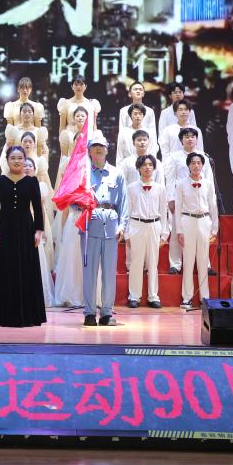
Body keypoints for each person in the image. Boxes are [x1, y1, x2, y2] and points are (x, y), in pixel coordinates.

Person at [0, 146, 46, 327]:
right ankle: (0, 315)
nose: (17, 161)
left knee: (26, 269)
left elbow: (37, 208)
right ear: (7, 160)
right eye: (13, 158)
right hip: (3, 229)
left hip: (26, 230)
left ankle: (27, 314)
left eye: (20, 158)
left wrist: (38, 230)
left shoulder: (32, 182)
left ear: (25, 159)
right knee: (3, 269)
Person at [82, 134, 128, 327]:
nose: (98, 149)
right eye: (95, 146)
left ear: (107, 150)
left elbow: (124, 202)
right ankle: (89, 313)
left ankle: (107, 313)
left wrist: (122, 225)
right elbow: (74, 201)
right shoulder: (83, 174)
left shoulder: (116, 173)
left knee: (109, 272)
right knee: (89, 272)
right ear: (89, 151)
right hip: (90, 224)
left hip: (110, 225)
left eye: (102, 146)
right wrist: (81, 205)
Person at [164, 127, 214, 275]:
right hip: (180, 197)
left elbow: (209, 179)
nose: (190, 139)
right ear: (181, 140)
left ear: (197, 140)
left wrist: (210, 199)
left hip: (200, 198)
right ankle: (175, 264)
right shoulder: (174, 157)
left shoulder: (203, 156)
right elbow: (170, 179)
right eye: (186, 137)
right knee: (176, 231)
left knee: (202, 233)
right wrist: (171, 199)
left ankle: (205, 264)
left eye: (193, 136)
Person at [174, 153, 218, 309]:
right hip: (188, 220)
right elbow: (178, 207)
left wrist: (215, 228)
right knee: (188, 261)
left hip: (204, 221)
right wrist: (179, 230)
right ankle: (187, 297)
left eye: (199, 163)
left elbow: (213, 205)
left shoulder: (208, 183)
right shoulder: (181, 184)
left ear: (203, 165)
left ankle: (204, 297)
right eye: (193, 163)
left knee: (203, 261)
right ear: (188, 165)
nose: (196, 165)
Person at [125, 155, 168, 309]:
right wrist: (127, 233)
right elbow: (127, 211)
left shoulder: (160, 188)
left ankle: (153, 296)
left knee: (153, 263)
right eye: (144, 165)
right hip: (136, 225)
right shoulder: (131, 188)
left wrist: (165, 233)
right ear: (139, 168)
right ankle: (134, 296)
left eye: (150, 164)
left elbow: (163, 211)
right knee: (136, 262)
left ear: (154, 168)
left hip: (154, 225)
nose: (147, 167)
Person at [24, 156, 56, 304]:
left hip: (34, 223)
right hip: (22, 223)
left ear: (35, 169)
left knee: (36, 256)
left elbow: (41, 210)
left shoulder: (40, 185)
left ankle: (37, 293)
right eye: (25, 165)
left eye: (30, 166)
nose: (27, 168)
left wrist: (40, 230)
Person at [57, 76, 101, 164]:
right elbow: (62, 126)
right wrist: (63, 144)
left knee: (86, 165)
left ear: (85, 87)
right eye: (76, 84)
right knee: (69, 165)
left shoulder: (91, 104)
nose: (78, 87)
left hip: (87, 138)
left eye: (81, 84)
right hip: (70, 138)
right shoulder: (66, 103)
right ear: (72, 86)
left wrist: (95, 141)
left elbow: (94, 125)